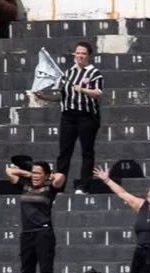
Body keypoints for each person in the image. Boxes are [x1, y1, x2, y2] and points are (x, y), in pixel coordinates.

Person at [6, 159, 60, 273]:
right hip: (27, 233)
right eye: (34, 173)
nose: (35, 176)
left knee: (45, 271)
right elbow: (9, 171)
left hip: (43, 233)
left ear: (46, 175)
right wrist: (29, 174)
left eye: (38, 173)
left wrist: (48, 177)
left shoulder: (49, 189)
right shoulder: (25, 186)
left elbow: (60, 177)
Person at [56, 42, 104, 195]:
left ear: (89, 55)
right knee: (64, 152)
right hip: (68, 115)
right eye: (78, 53)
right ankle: (59, 186)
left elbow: (98, 93)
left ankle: (84, 186)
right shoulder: (68, 73)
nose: (80, 56)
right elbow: (62, 96)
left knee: (86, 151)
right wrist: (42, 97)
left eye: (83, 53)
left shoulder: (94, 73)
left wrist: (83, 90)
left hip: (87, 115)